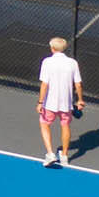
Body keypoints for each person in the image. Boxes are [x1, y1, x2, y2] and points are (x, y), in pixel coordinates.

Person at [37, 36, 86, 167]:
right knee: (65, 126)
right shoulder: (72, 63)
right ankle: (64, 155)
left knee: (44, 124)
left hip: (50, 104)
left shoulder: (47, 62)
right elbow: (78, 84)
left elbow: (44, 84)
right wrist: (80, 100)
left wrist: (40, 102)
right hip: (66, 104)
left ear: (52, 48)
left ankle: (50, 153)